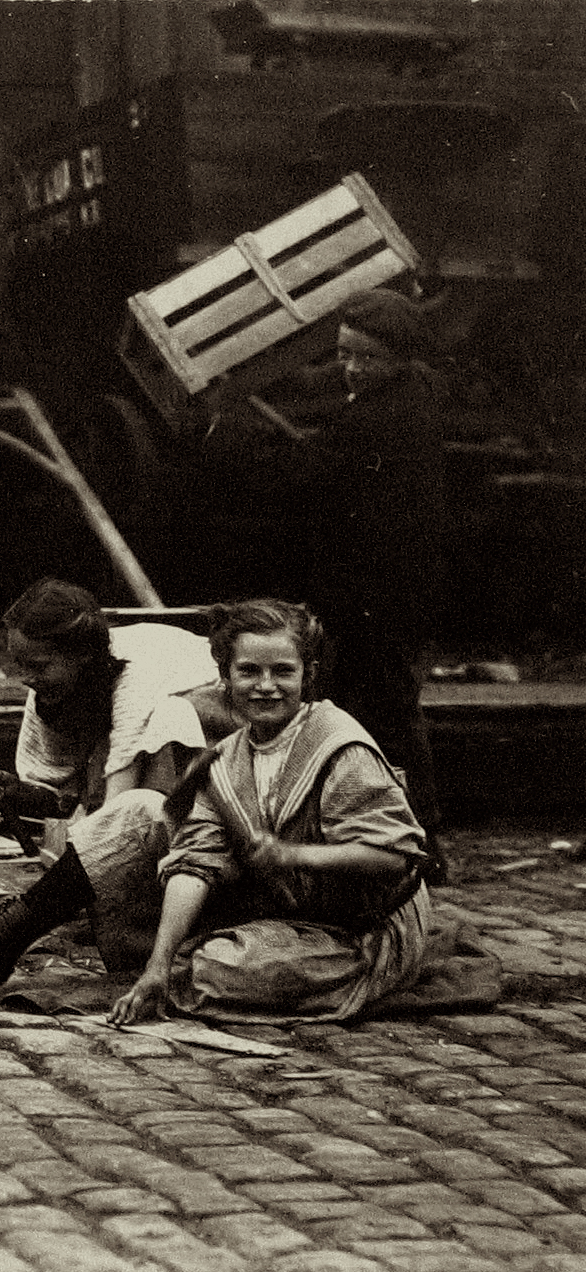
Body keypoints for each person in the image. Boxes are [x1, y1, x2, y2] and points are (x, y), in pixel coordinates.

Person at [107, 599, 494, 1026]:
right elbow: (196, 864)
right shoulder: (226, 759)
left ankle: (327, 967)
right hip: (297, 913)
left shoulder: (338, 746)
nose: (266, 686)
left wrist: (293, 855)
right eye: (249, 671)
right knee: (171, 952)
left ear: (307, 676)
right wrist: (157, 966)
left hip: (367, 928)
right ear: (225, 677)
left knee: (214, 969)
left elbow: (395, 856)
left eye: (283, 672)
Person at [0, 577, 229, 997]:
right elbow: (62, 798)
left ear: (84, 657)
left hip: (213, 778)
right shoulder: (53, 693)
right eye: (20, 664)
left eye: (38, 666)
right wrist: (20, 792)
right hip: (165, 810)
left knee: (151, 772)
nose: (26, 679)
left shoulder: (138, 684)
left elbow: (118, 818)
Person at [298, 287, 450, 882]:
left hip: (376, 597)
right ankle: (401, 839)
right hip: (391, 592)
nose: (354, 368)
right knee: (386, 710)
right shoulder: (412, 393)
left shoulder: (378, 418)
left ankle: (422, 846)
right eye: (345, 353)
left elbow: (311, 471)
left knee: (384, 714)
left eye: (368, 358)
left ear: (399, 359)